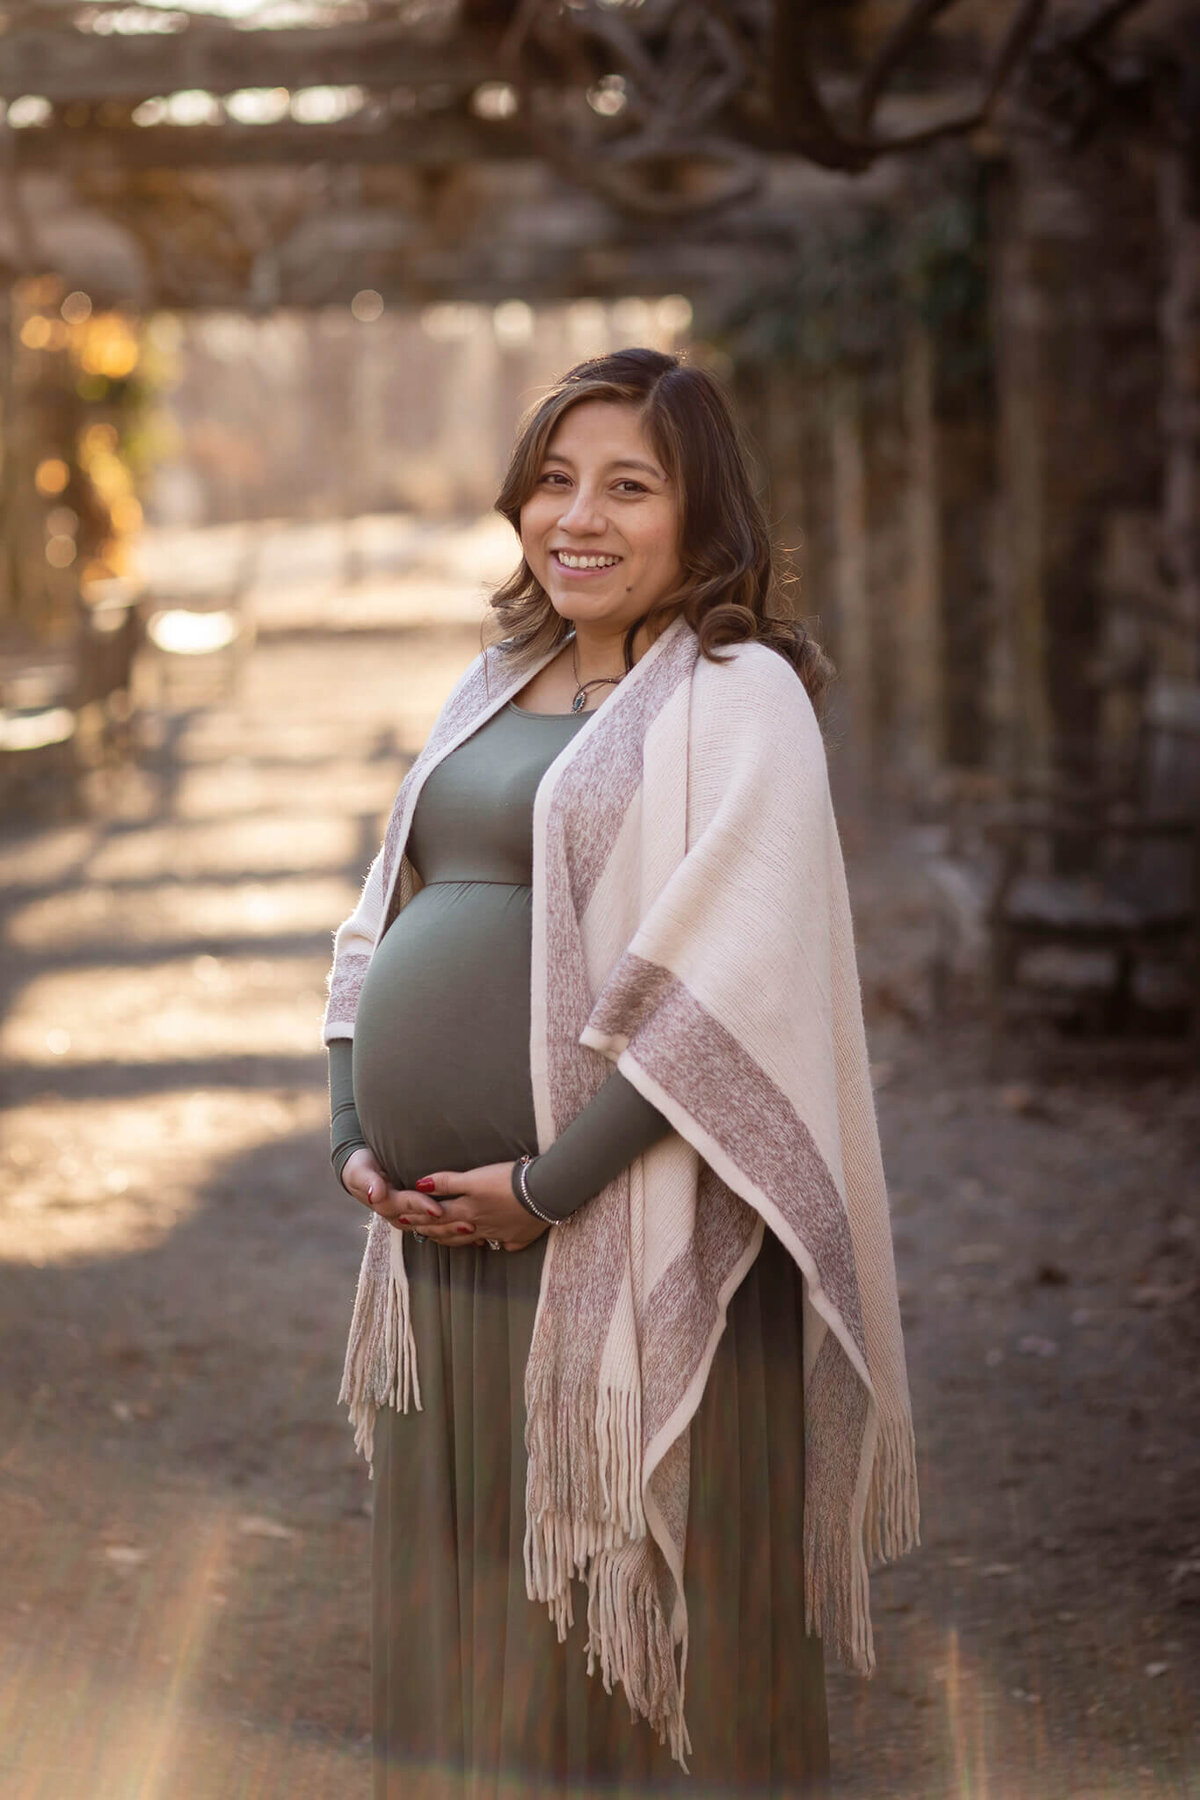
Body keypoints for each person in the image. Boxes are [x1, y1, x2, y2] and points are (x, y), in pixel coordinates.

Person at [324, 347, 920, 1799]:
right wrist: (355, 1130)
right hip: (447, 1241)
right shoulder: (494, 680)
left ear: (700, 515)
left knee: (652, 1620)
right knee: (478, 1611)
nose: (576, 515)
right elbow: (379, 915)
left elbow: (731, 991)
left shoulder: (740, 694)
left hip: (620, 1225)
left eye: (628, 486)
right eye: (553, 479)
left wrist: (544, 1185)